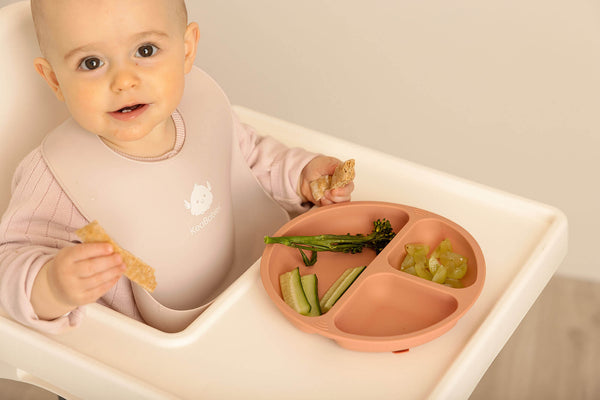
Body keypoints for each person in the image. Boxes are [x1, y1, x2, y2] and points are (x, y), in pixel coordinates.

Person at [0, 0, 354, 333]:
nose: (124, 80)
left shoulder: (203, 107)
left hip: (251, 296)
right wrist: (50, 286)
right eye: (91, 62)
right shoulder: (56, 175)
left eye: (145, 51)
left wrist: (301, 176)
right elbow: (9, 262)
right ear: (54, 80)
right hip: (149, 358)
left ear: (186, 49)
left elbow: (250, 160)